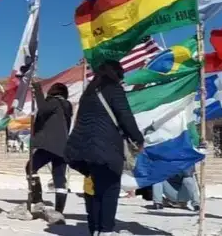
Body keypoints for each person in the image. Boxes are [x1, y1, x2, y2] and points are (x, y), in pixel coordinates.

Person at [64, 60, 144, 236]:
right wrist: (138, 139)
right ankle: (106, 230)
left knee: (95, 189)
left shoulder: (89, 92)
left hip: (84, 148)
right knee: (110, 189)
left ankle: (95, 229)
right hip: (107, 147)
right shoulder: (114, 89)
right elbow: (125, 116)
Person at [27, 80, 73, 214]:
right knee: (59, 177)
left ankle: (37, 199)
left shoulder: (54, 102)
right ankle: (59, 211)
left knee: (31, 167)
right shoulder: (67, 106)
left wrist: (37, 89)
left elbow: (42, 109)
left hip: (49, 145)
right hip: (63, 147)